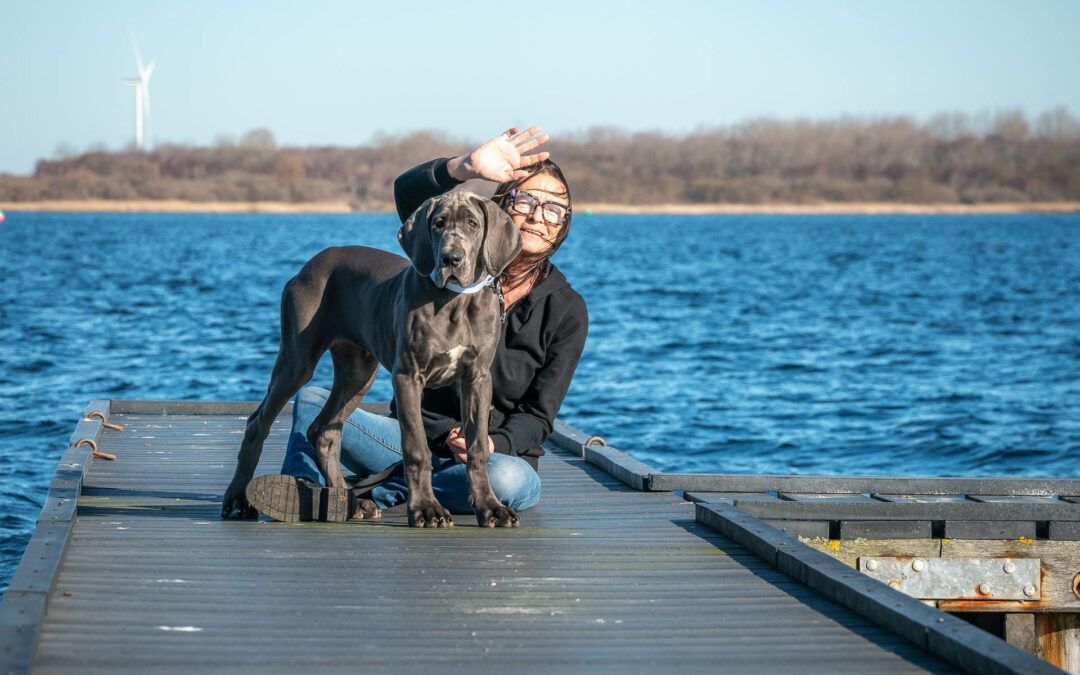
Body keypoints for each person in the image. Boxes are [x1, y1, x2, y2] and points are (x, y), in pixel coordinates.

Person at [247, 126, 589, 522]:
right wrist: (464, 167)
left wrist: (495, 442)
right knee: (310, 401)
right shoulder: (436, 270)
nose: (536, 216)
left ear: (563, 225)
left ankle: (382, 490)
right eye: (526, 200)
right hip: (406, 442)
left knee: (511, 482)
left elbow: (539, 416)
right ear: (500, 208)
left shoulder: (566, 310)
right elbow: (413, 202)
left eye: (553, 209)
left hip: (491, 461)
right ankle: (309, 489)